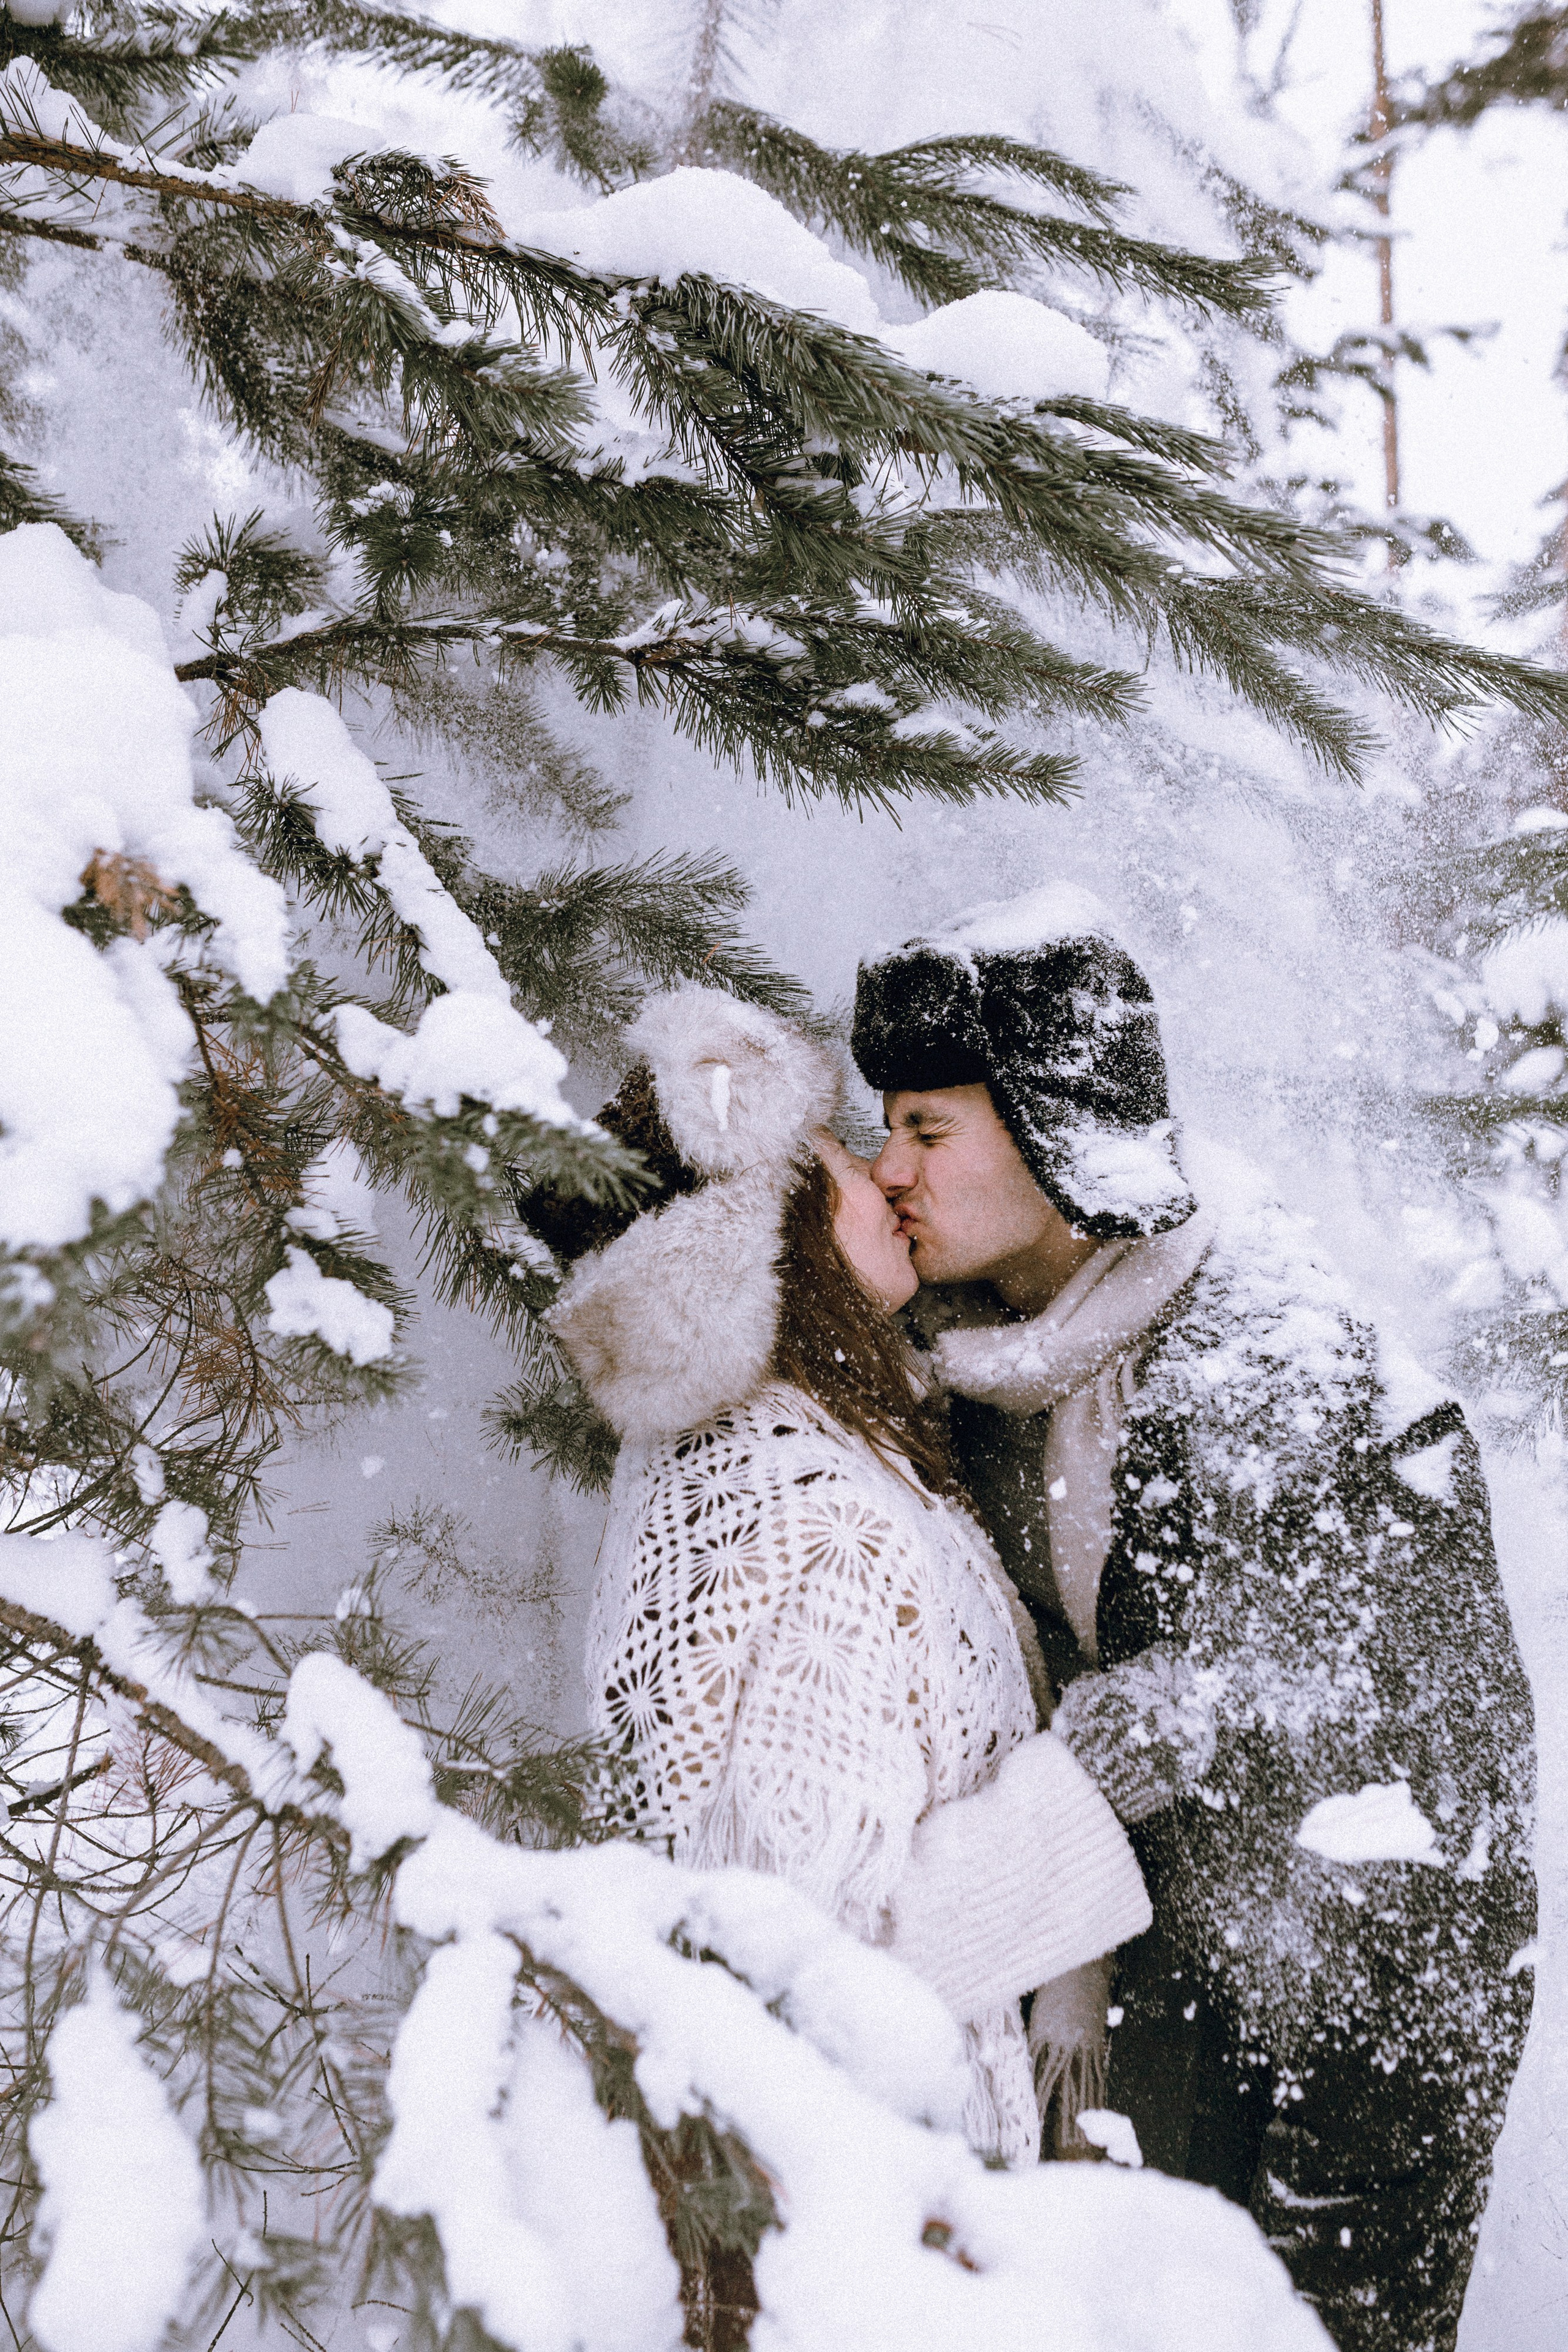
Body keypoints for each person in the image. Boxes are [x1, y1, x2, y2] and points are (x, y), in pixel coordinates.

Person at [850, 886, 1538, 2352]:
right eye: (884, 1125)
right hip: (1101, 2002)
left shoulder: (1289, 1395)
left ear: (1052, 1129)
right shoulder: (966, 1360)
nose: (888, 1168)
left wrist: (1329, 2267)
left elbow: (1411, 1874)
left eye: (928, 1128)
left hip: (1324, 2056)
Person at [539, 983, 1152, 2171]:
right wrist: (1083, 1788)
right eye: (836, 1163)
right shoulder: (803, 1514)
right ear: (764, 1238)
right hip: (866, 2207)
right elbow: (818, 1969)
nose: (881, 1176)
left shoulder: (781, 1448)